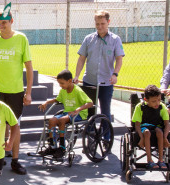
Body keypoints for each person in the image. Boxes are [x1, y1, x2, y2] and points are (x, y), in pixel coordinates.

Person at [0, 2, 33, 175]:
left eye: (5, 22)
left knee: (15, 125)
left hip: (16, 91)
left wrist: (28, 92)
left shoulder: (21, 39)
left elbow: (29, 67)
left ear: (11, 21)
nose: (2, 26)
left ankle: (15, 161)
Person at [73, 10, 125, 145]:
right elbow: (81, 59)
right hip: (89, 81)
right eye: (97, 24)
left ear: (108, 22)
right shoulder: (88, 39)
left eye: (102, 23)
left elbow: (119, 59)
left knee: (105, 111)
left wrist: (115, 74)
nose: (100, 26)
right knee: (89, 109)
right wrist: (77, 75)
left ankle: (106, 137)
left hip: (106, 82)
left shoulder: (115, 39)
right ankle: (90, 136)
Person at [38, 70, 93, 157]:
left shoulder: (78, 91)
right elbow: (57, 100)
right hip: (67, 113)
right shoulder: (63, 91)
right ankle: (52, 146)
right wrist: (46, 102)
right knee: (52, 120)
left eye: (62, 83)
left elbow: (90, 103)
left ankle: (62, 148)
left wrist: (78, 109)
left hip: (79, 114)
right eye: (59, 83)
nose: (60, 85)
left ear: (70, 81)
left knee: (62, 120)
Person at [131, 85, 169, 169]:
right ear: (146, 100)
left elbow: (167, 124)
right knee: (147, 133)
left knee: (160, 132)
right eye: (154, 101)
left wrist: (165, 138)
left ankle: (161, 160)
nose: (157, 103)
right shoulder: (140, 107)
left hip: (156, 127)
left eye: (159, 100)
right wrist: (141, 137)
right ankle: (149, 160)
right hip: (143, 126)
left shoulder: (162, 107)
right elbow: (137, 124)